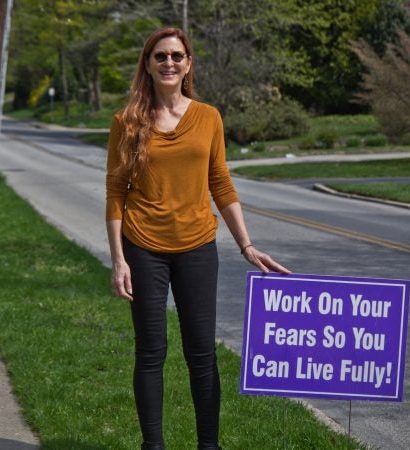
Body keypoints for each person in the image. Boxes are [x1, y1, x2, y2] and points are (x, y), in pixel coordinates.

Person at [105, 27, 291, 450]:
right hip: (143, 246)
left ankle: (209, 445)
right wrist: (119, 259)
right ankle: (153, 446)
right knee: (151, 351)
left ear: (188, 63)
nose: (168, 63)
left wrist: (247, 245)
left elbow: (220, 182)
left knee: (201, 354)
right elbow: (116, 192)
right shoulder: (127, 121)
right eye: (159, 56)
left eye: (176, 56)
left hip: (197, 248)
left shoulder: (208, 117)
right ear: (147, 65)